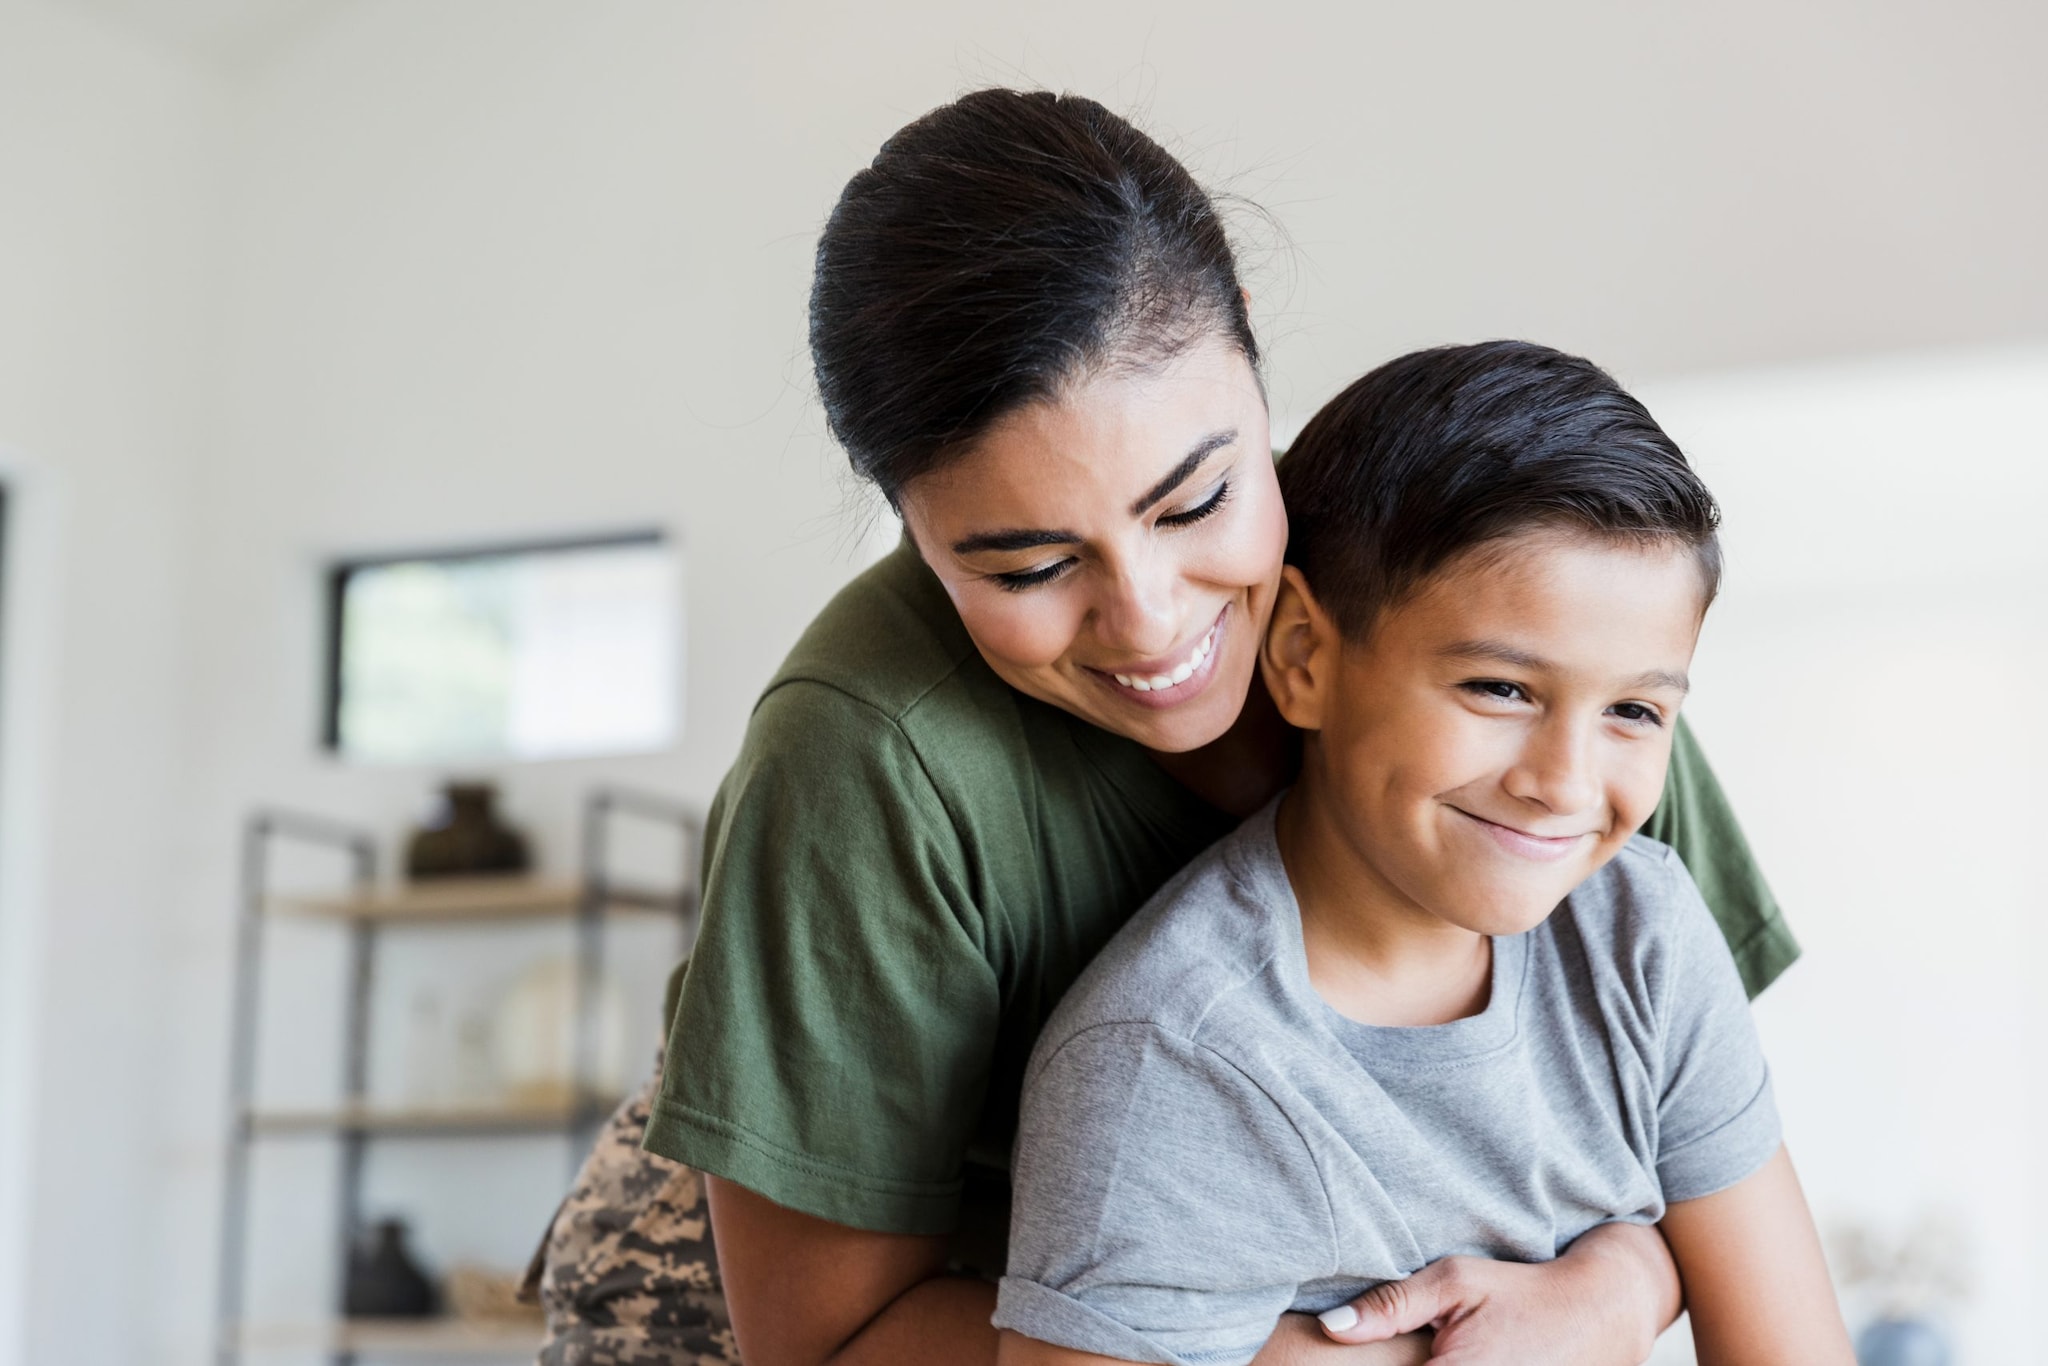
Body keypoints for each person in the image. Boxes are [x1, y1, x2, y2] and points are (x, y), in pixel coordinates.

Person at [528, 90, 1799, 1366]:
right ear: (914, 538)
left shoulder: (1503, 648)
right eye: (1026, 566)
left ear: (1258, 390)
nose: (1146, 623)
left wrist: (1616, 1286)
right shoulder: (868, 754)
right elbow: (826, 1337)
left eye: (1196, 498)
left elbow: (1682, 1122)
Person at [994, 342, 1851, 1366]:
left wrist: (1628, 1277)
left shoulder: (1642, 936)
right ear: (1304, 655)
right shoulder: (1167, 1064)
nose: (1564, 782)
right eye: (1499, 689)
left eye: (1631, 709)